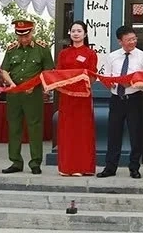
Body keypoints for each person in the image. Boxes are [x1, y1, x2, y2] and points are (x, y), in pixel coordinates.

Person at [0, 19, 55, 175]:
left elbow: (48, 72)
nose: (23, 39)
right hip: (14, 94)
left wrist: (37, 86)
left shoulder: (42, 49)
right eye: (20, 36)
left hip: (33, 94)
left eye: (26, 35)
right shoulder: (11, 49)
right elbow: (4, 70)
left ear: (32, 32)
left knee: (34, 127)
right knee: (14, 127)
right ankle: (15, 161)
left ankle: (35, 162)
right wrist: (12, 84)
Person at [97, 25, 143, 179]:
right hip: (116, 99)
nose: (132, 42)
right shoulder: (112, 56)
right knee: (113, 134)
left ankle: (134, 167)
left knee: (136, 134)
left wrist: (132, 84)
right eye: (128, 40)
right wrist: (112, 83)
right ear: (120, 41)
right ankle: (110, 167)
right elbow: (106, 76)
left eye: (134, 39)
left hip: (134, 98)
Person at [54, 20, 98, 176]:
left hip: (83, 98)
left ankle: (81, 167)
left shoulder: (90, 54)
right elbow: (58, 73)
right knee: (67, 131)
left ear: (85, 34)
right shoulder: (63, 53)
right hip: (66, 97)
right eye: (73, 31)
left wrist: (80, 78)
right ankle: (66, 167)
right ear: (69, 34)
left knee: (82, 131)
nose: (76, 34)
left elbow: (92, 75)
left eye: (79, 31)